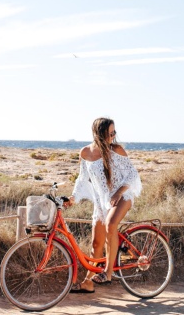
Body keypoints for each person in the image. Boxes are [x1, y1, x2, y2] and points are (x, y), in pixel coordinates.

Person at [66, 117, 142, 293]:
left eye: (115, 132)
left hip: (122, 196)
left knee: (111, 224)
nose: (113, 136)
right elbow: (82, 179)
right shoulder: (85, 152)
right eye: (110, 133)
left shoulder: (116, 150)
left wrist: (118, 192)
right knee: (96, 244)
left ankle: (108, 273)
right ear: (99, 133)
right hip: (102, 202)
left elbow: (132, 175)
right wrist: (73, 198)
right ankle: (88, 282)